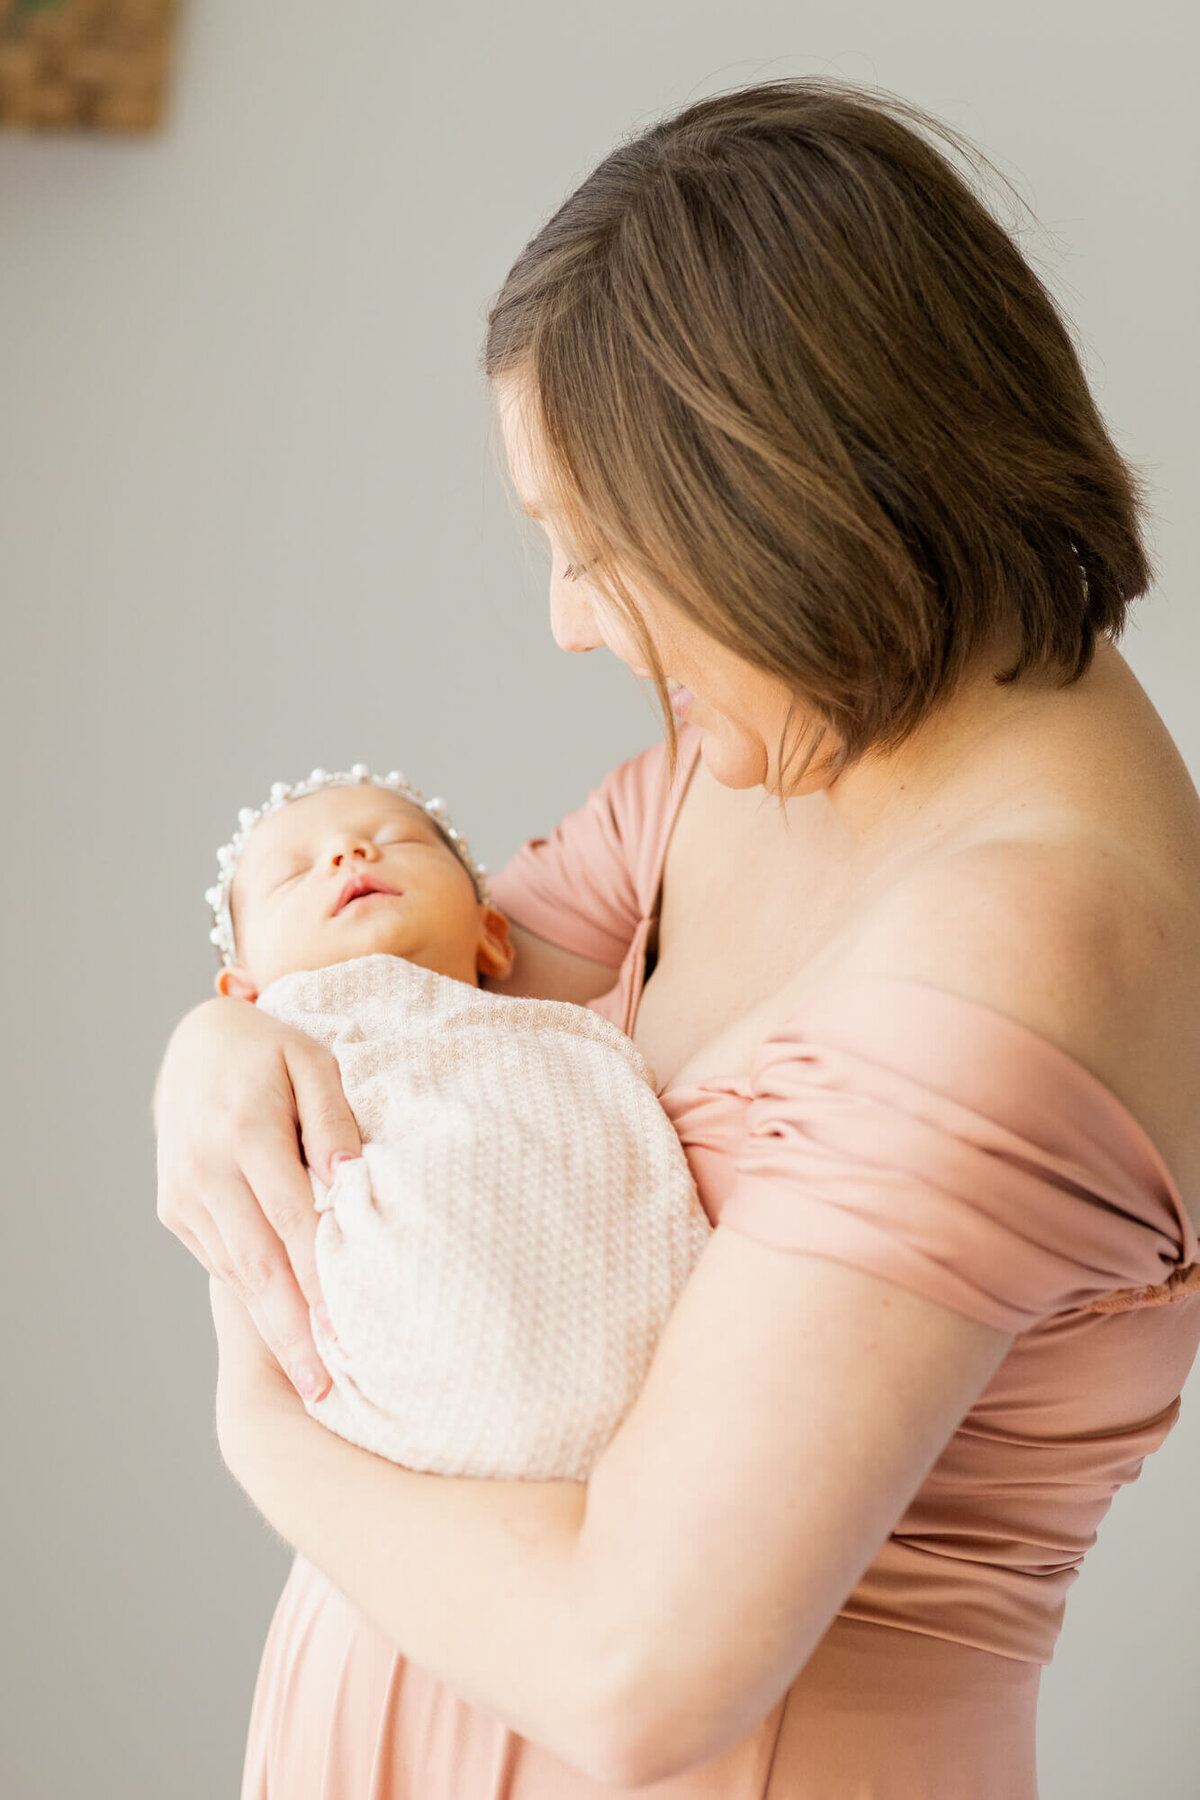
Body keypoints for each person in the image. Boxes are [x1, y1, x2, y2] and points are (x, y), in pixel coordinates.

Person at [155, 76, 1200, 1798]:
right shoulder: (741, 775)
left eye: (599, 549)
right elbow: (398, 1017)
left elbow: (633, 1673)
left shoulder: (1043, 935)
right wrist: (215, 1052)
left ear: (794, 492)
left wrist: (254, 1426)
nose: (569, 625)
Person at [202, 762, 707, 1478]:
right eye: (293, 874)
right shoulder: (279, 1088)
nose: (349, 854)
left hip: (644, 1377)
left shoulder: (563, 1042)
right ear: (244, 996)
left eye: (396, 839)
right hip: (426, 1371)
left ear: (493, 935)